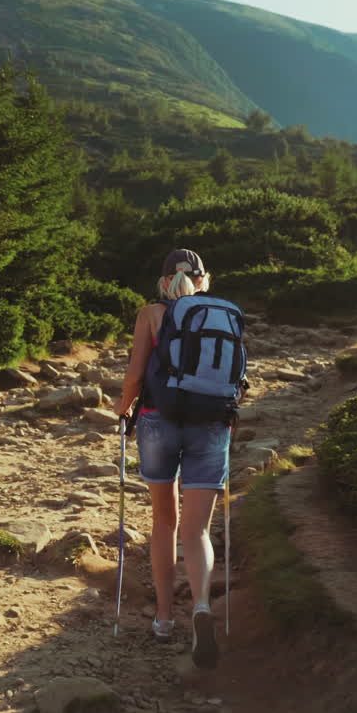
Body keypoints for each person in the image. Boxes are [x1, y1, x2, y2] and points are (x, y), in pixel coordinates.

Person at [114, 248, 240, 669]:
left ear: (164, 280)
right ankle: (202, 607)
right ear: (207, 279)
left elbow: (135, 374)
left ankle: (164, 618)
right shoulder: (225, 313)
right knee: (198, 529)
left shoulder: (151, 314)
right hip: (211, 424)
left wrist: (122, 408)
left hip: (157, 421)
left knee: (164, 521)